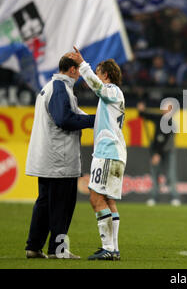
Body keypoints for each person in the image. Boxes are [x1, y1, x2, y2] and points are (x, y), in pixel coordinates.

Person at [25, 54, 95, 259]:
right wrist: (95, 120)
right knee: (61, 206)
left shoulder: (51, 87)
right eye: (79, 71)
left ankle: (34, 247)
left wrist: (92, 119)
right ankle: (58, 250)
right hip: (59, 160)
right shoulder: (60, 88)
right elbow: (64, 119)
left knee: (45, 204)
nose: (80, 75)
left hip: (49, 158)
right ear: (72, 70)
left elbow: (67, 115)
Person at [67, 47, 126, 261]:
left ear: (106, 75)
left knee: (95, 197)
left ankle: (108, 247)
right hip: (112, 152)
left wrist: (83, 64)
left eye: (99, 72)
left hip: (108, 153)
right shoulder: (110, 97)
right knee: (108, 200)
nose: (96, 77)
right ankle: (114, 248)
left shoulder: (111, 90)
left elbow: (98, 87)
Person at [137, 100, 181, 206]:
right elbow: (145, 115)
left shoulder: (171, 123)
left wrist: (157, 154)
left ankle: (174, 197)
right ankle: (154, 197)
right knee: (154, 173)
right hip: (156, 150)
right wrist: (141, 110)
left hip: (167, 151)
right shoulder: (159, 118)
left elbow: (165, 141)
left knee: (170, 174)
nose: (164, 110)